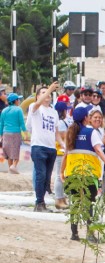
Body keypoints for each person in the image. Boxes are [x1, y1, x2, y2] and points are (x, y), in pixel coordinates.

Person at [62, 105, 105, 241]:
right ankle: (90, 234)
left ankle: (74, 233)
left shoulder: (70, 132)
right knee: (88, 204)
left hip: (72, 173)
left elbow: (66, 154)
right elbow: (99, 151)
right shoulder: (91, 132)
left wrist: (61, 172)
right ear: (86, 118)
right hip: (88, 173)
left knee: (75, 203)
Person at [28, 83, 61, 212]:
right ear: (37, 96)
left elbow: (56, 132)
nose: (46, 95)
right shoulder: (34, 108)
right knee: (40, 175)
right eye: (43, 93)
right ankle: (39, 203)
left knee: (47, 178)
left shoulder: (54, 112)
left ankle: (42, 202)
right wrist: (49, 89)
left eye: (47, 93)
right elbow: (36, 104)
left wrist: (64, 145)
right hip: (38, 146)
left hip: (51, 147)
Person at [52, 96, 72, 209]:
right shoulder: (60, 123)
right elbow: (63, 136)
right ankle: (58, 198)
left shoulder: (61, 121)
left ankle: (61, 197)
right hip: (60, 150)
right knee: (59, 176)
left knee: (62, 175)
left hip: (62, 150)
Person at [1, 93, 26, 174]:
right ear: (15, 101)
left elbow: (1, 123)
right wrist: (26, 134)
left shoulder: (4, 110)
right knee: (17, 151)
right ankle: (14, 166)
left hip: (6, 133)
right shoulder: (18, 110)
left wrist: (1, 134)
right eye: (18, 99)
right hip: (15, 133)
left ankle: (10, 169)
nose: (19, 101)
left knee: (9, 153)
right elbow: (22, 124)